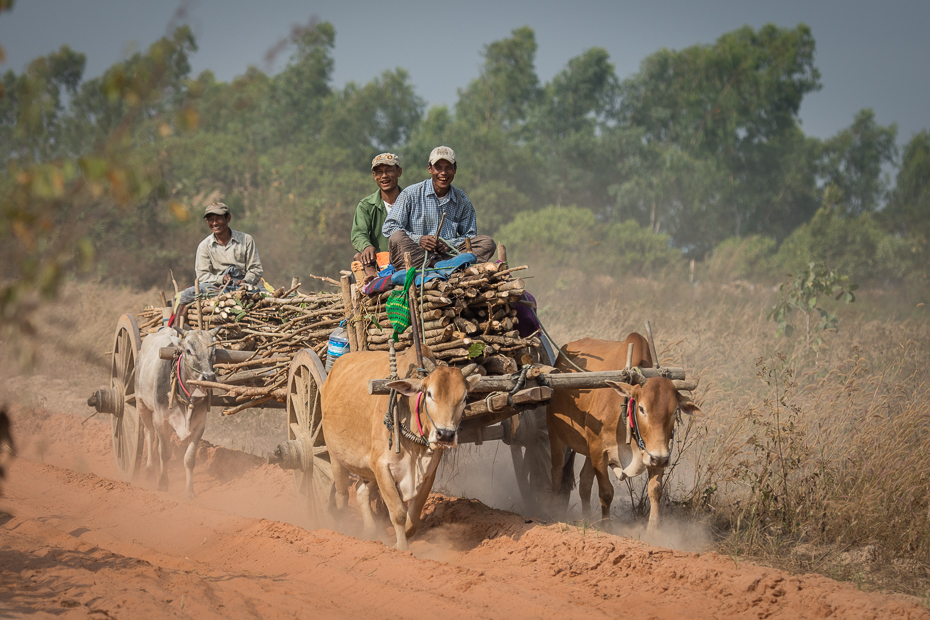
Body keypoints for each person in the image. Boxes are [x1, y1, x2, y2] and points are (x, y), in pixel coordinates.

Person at [382, 146, 496, 270]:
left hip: (447, 255)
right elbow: (390, 227)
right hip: (417, 255)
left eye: (448, 168)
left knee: (487, 243)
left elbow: (470, 235)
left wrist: (448, 244)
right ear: (429, 169)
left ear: (455, 169)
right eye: (438, 168)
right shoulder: (411, 194)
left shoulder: (462, 201)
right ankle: (437, 265)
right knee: (396, 238)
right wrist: (420, 239)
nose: (443, 173)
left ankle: (447, 265)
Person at [170, 202, 263, 327]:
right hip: (215, 288)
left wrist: (245, 281)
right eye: (211, 220)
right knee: (187, 294)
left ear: (228, 218)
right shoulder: (204, 246)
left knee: (265, 295)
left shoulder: (246, 240)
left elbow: (255, 269)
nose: (214, 223)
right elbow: (202, 275)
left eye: (218, 218)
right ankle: (176, 331)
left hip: (242, 287)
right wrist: (220, 279)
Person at [350, 152, 403, 278]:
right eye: (379, 172)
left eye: (389, 170)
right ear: (374, 175)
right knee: (359, 257)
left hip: (406, 260)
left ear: (399, 172)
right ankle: (373, 276)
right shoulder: (366, 205)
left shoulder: (411, 201)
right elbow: (358, 234)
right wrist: (367, 246)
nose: (384, 176)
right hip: (380, 262)